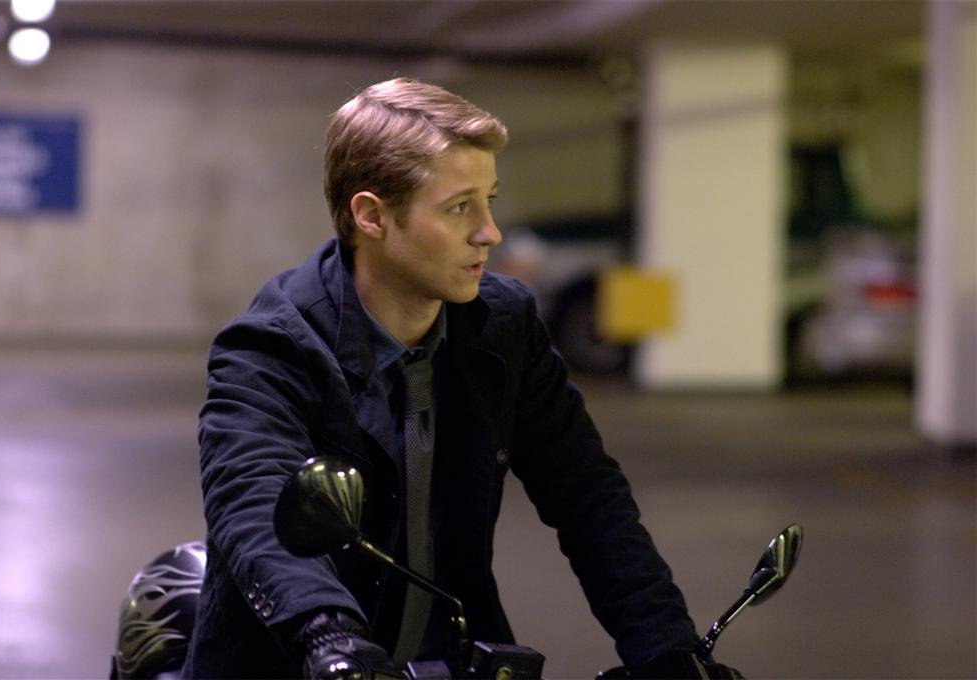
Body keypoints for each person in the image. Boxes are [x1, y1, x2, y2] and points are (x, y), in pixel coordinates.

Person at [182, 77, 739, 679]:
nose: (489, 232)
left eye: (489, 200)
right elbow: (253, 497)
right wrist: (326, 634)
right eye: (458, 208)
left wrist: (666, 648)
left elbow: (588, 496)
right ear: (372, 216)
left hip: (450, 657)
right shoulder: (271, 346)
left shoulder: (503, 326)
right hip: (299, 662)